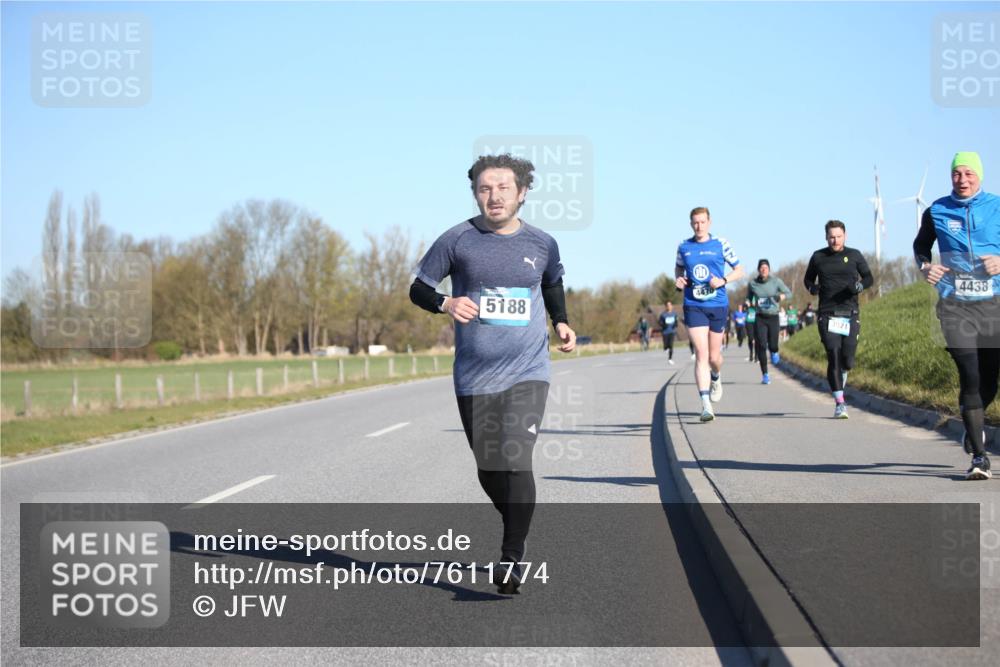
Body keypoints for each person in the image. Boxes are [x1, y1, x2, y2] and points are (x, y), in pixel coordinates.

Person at [409, 153, 577, 591]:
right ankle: (518, 520)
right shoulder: (457, 240)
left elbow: (552, 282)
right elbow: (419, 288)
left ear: (522, 193)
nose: (494, 196)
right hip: (474, 374)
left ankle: (511, 558)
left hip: (528, 369)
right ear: (475, 193)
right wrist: (446, 302)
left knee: (516, 458)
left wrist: (560, 321)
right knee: (489, 469)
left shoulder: (542, 243)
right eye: (485, 188)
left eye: (503, 188)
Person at [914, 151, 1000, 480]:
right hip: (954, 305)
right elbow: (921, 246)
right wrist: (926, 266)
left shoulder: (996, 207)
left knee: (989, 380)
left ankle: (971, 423)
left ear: (979, 175)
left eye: (968, 173)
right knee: (970, 375)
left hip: (993, 305)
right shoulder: (936, 210)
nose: (962, 180)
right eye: (956, 174)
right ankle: (979, 457)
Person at [675, 207, 744, 421]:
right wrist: (679, 280)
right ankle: (705, 405)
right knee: (701, 353)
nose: (699, 226)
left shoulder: (721, 244)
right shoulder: (684, 247)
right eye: (695, 222)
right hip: (693, 304)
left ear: (709, 222)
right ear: (691, 224)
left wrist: (723, 280)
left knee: (714, 358)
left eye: (702, 222)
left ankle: (716, 376)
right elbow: (678, 269)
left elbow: (740, 270)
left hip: (717, 304)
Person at [804, 219, 874, 420]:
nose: (835, 241)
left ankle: (840, 377)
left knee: (848, 361)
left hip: (850, 313)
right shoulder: (818, 257)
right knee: (833, 355)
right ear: (826, 237)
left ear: (845, 236)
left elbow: (869, 278)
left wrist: (859, 286)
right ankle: (840, 403)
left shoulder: (854, 255)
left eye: (838, 236)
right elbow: (807, 279)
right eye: (831, 237)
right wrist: (813, 288)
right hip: (828, 314)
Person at [746, 259, 792, 385]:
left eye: (766, 267)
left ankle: (774, 351)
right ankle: (765, 374)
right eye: (761, 267)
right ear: (758, 270)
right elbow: (748, 298)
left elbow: (789, 293)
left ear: (769, 269)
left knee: (773, 344)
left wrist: (780, 296)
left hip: (773, 317)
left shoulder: (776, 281)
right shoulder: (753, 284)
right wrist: (747, 303)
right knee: (761, 345)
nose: (764, 269)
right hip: (760, 317)